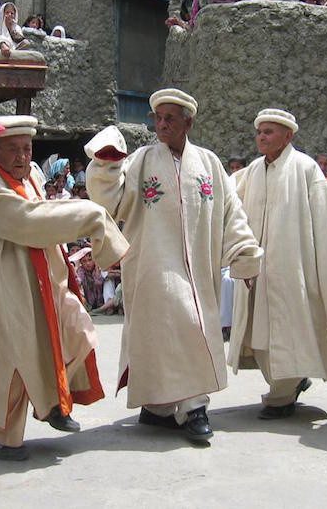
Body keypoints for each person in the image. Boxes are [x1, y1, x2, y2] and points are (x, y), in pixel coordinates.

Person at [0, 114, 128, 461]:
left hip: (47, 281)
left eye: (27, 148)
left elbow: (45, 212)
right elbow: (29, 222)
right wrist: (92, 216)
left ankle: (54, 400)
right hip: (9, 289)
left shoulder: (34, 174)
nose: (22, 156)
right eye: (13, 150)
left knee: (77, 331)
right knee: (12, 361)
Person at [86, 89, 262, 443]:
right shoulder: (140, 160)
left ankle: (164, 408)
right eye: (158, 118)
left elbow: (232, 214)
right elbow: (111, 200)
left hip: (199, 267)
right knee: (163, 333)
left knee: (190, 325)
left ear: (188, 122)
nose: (162, 125)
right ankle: (187, 407)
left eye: (170, 118)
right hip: (151, 264)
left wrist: (244, 252)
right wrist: (106, 164)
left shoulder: (210, 164)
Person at [228, 109, 327, 419]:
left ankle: (283, 394)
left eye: (270, 131)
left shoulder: (306, 169)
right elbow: (228, 200)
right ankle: (288, 385)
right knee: (263, 330)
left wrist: (326, 265)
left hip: (295, 268)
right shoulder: (253, 170)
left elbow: (325, 224)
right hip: (258, 268)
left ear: (288, 136)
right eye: (259, 132)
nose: (262, 137)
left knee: (289, 327)